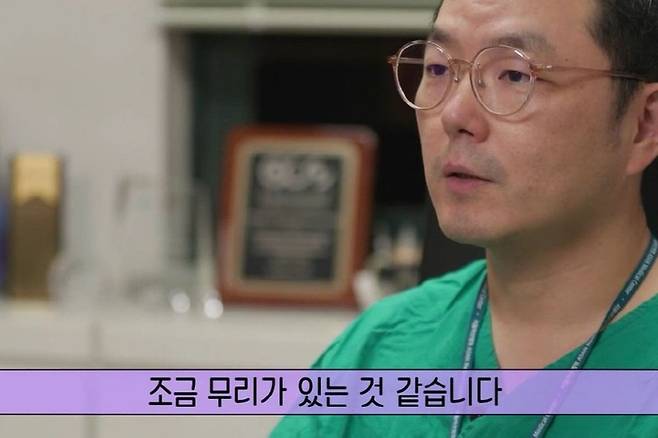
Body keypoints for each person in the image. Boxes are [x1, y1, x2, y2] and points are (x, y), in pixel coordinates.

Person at [270, 0, 658, 436]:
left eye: (515, 75)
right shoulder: (378, 350)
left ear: (643, 125)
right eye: (438, 69)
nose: (454, 115)